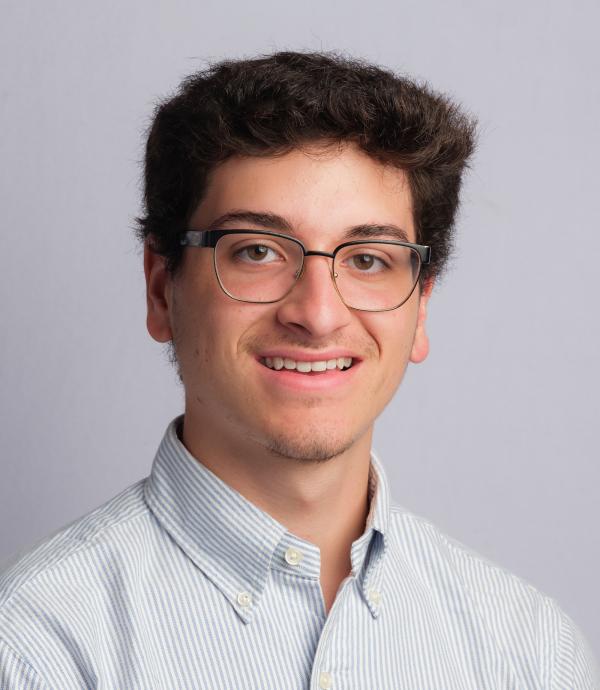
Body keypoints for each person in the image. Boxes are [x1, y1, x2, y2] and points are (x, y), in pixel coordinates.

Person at [0, 51, 597, 689]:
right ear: (160, 290)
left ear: (420, 308)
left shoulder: (527, 651)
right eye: (257, 251)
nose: (317, 314)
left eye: (368, 260)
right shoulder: (37, 646)